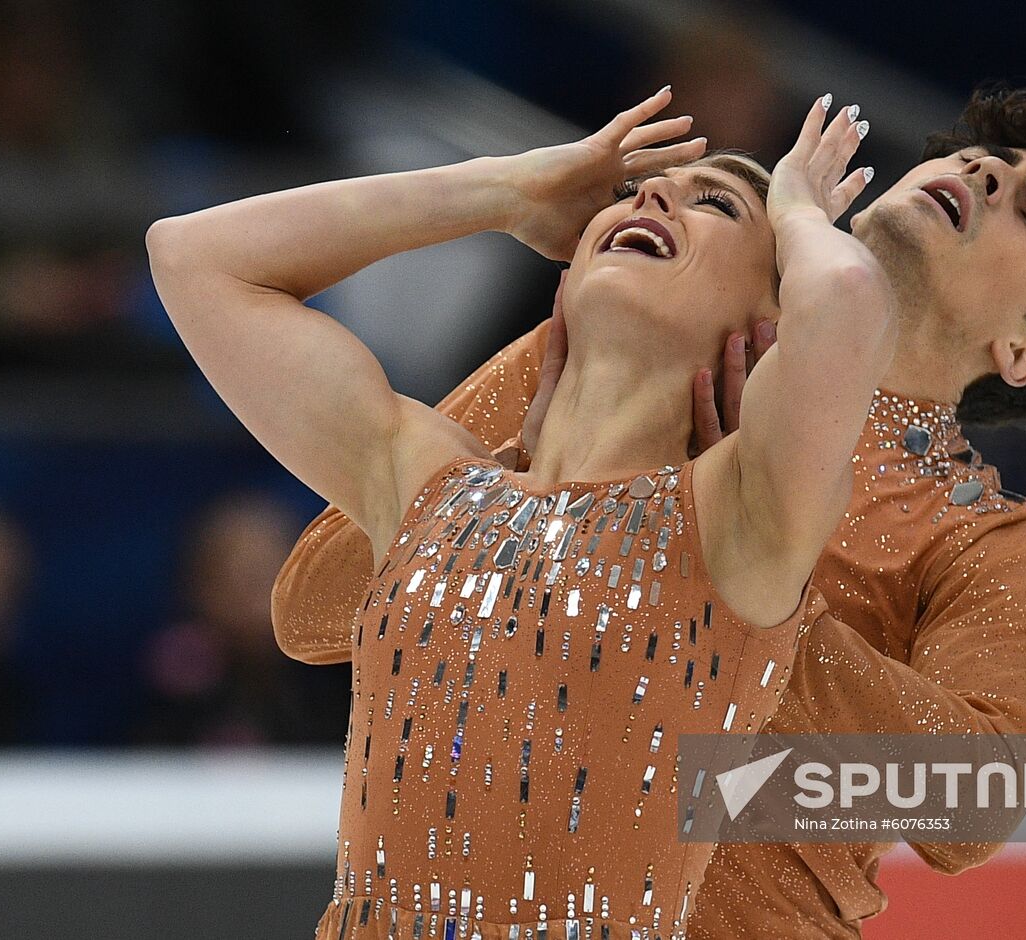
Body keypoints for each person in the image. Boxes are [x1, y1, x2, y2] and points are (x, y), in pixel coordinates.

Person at [272, 82, 1026, 938]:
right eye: (980, 157)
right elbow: (312, 607)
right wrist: (518, 479)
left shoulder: (978, 535)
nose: (987, 174)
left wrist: (743, 611)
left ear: (1019, 351)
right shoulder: (636, 324)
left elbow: (974, 803)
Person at [148, 88, 898, 939]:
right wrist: (503, 194)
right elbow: (192, 256)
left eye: (714, 202)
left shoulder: (739, 516)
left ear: (769, 316)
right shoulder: (427, 481)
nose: (652, 195)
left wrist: (800, 206)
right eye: (637, 192)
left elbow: (846, 300)